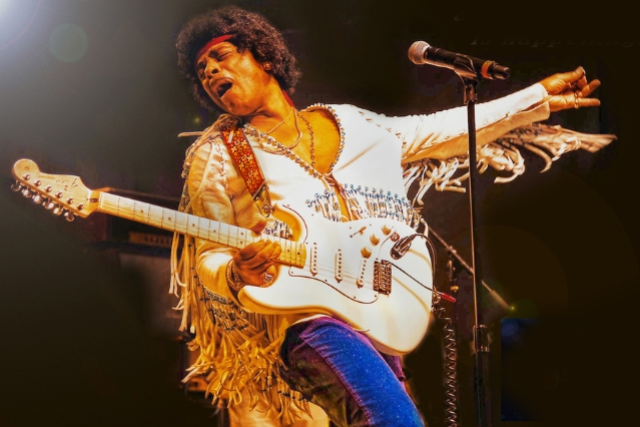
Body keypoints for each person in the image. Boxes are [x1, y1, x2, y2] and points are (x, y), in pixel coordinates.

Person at [170, 6, 609, 427]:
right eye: (201, 70)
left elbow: (444, 128)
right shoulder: (218, 155)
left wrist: (537, 97)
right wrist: (235, 272)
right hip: (308, 319)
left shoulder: (352, 123)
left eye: (220, 56)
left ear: (264, 57)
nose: (209, 72)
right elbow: (207, 255)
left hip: (382, 314)